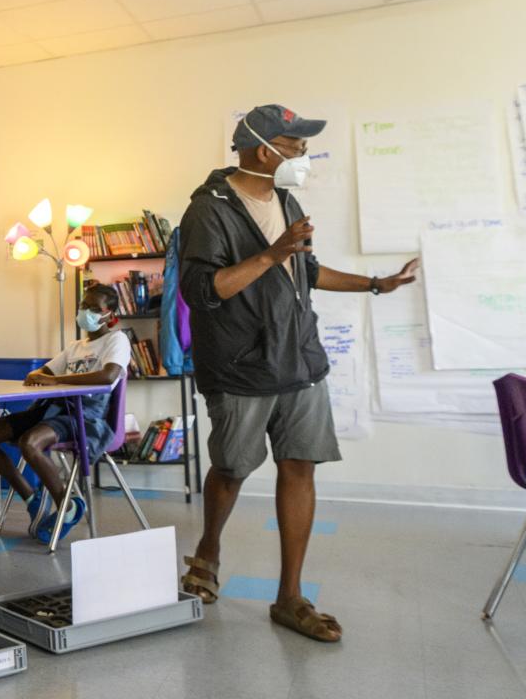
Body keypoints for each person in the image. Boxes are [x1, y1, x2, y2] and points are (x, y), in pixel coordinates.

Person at [178, 104, 418, 644]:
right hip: (241, 367)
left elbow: (306, 270)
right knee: (233, 468)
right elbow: (203, 292)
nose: (304, 155)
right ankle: (209, 548)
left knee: (300, 468)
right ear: (265, 150)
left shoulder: (286, 199)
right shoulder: (208, 210)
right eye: (296, 145)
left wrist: (377, 284)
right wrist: (271, 253)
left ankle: (289, 596)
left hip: (299, 361)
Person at [0, 283, 130, 543]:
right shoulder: (74, 346)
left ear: (109, 315)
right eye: (83, 306)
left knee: (30, 443)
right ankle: (33, 499)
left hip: (86, 416)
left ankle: (67, 507)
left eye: (93, 308)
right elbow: (41, 373)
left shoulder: (117, 340)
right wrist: (41, 376)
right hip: (54, 410)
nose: (85, 312)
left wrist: (57, 381)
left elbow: (108, 375)